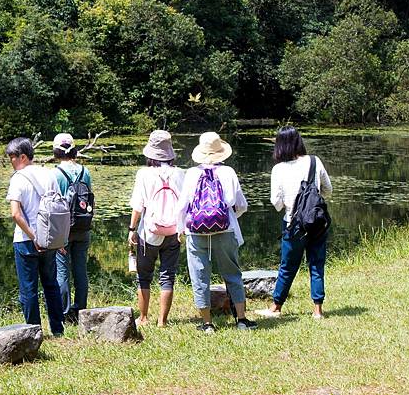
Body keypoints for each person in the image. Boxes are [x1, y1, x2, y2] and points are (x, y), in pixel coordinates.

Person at [176, 132, 258, 332]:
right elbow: (241, 205)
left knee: (199, 277)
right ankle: (241, 320)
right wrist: (226, 218)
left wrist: (181, 229)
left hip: (196, 232)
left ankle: (207, 324)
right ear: (220, 152)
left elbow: (182, 206)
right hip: (225, 230)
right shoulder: (228, 172)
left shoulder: (192, 173)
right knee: (232, 274)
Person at [256, 126, 332, 319]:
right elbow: (328, 190)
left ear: (280, 145)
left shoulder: (278, 169)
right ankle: (317, 310)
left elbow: (276, 203)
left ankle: (276, 307)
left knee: (287, 267)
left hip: (293, 224)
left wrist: (290, 202)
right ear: (299, 141)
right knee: (316, 265)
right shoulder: (315, 161)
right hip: (316, 221)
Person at [5, 137, 65, 336]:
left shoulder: (18, 179)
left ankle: (34, 332)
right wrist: (59, 239)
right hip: (49, 240)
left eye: (12, 158)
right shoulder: (49, 175)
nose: (10, 162)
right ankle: (58, 329)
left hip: (26, 241)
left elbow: (15, 214)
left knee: (28, 289)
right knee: (51, 284)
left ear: (22, 156)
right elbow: (59, 209)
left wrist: (33, 237)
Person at [128, 130, 184, 327]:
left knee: (144, 277)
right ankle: (163, 321)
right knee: (168, 275)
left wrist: (131, 229)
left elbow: (138, 205)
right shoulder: (180, 173)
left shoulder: (144, 174)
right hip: (174, 231)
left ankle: (143, 318)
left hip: (149, 232)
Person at [52, 133, 93, 324]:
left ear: (56, 151)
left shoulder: (55, 174)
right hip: (83, 228)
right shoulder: (86, 172)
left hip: (63, 230)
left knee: (61, 271)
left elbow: (52, 206)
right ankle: (81, 310)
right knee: (80, 270)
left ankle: (65, 313)